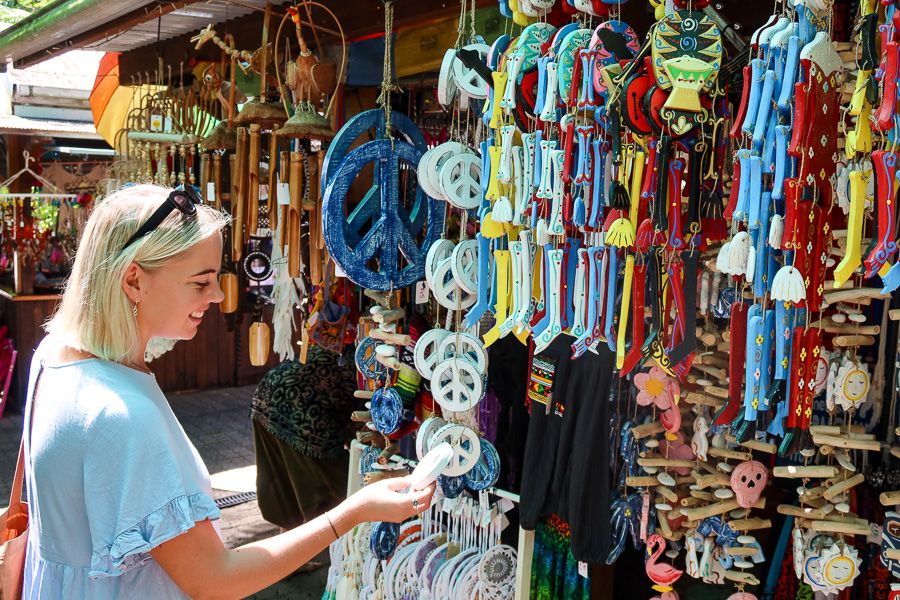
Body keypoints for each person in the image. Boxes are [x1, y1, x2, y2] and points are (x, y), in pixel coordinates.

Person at [21, 184, 434, 599]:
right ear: (133, 280)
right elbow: (217, 579)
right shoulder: (124, 417)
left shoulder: (51, 357)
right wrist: (354, 511)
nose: (217, 295)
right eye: (201, 283)